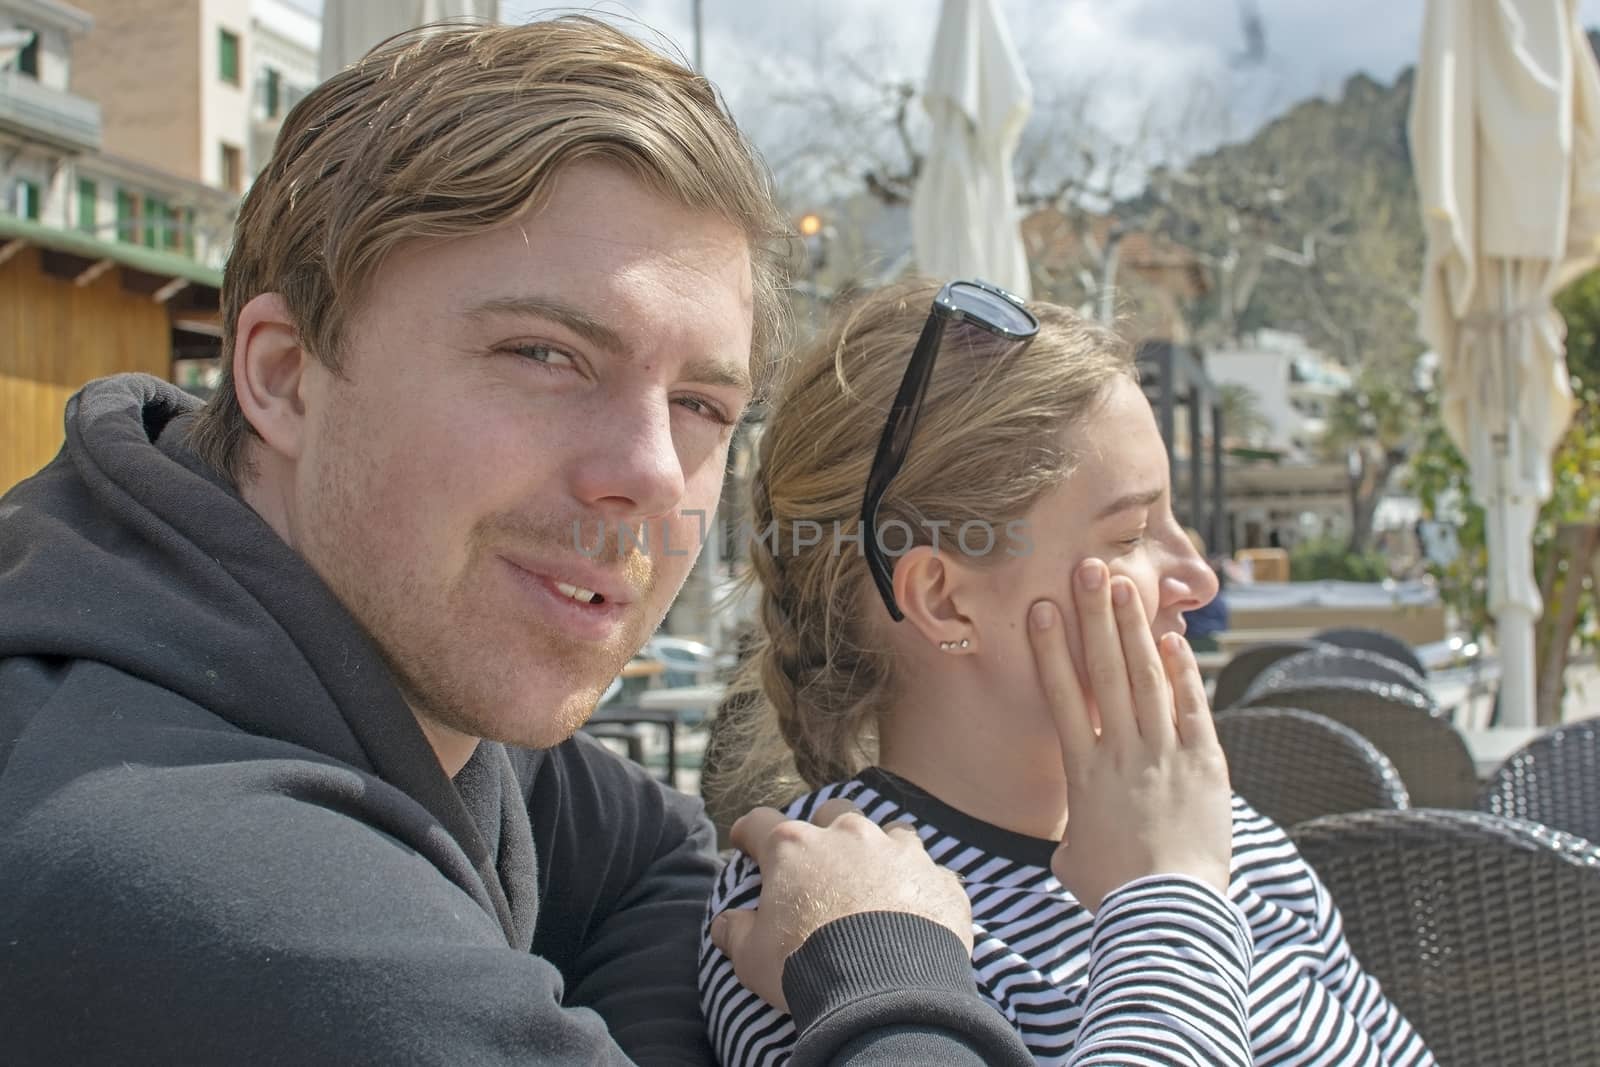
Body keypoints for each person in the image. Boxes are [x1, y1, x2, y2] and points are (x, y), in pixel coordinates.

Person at [0, 21, 1037, 1065]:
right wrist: (891, 976)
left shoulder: (358, 663)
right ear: (280, 374)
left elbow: (661, 851)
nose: (650, 473)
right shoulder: (199, 875)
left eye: (701, 404)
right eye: (543, 353)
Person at [700, 280, 1435, 1066]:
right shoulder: (819, 908)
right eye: (1130, 534)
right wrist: (1166, 897)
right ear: (945, 600)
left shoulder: (1222, 833)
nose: (1199, 577)